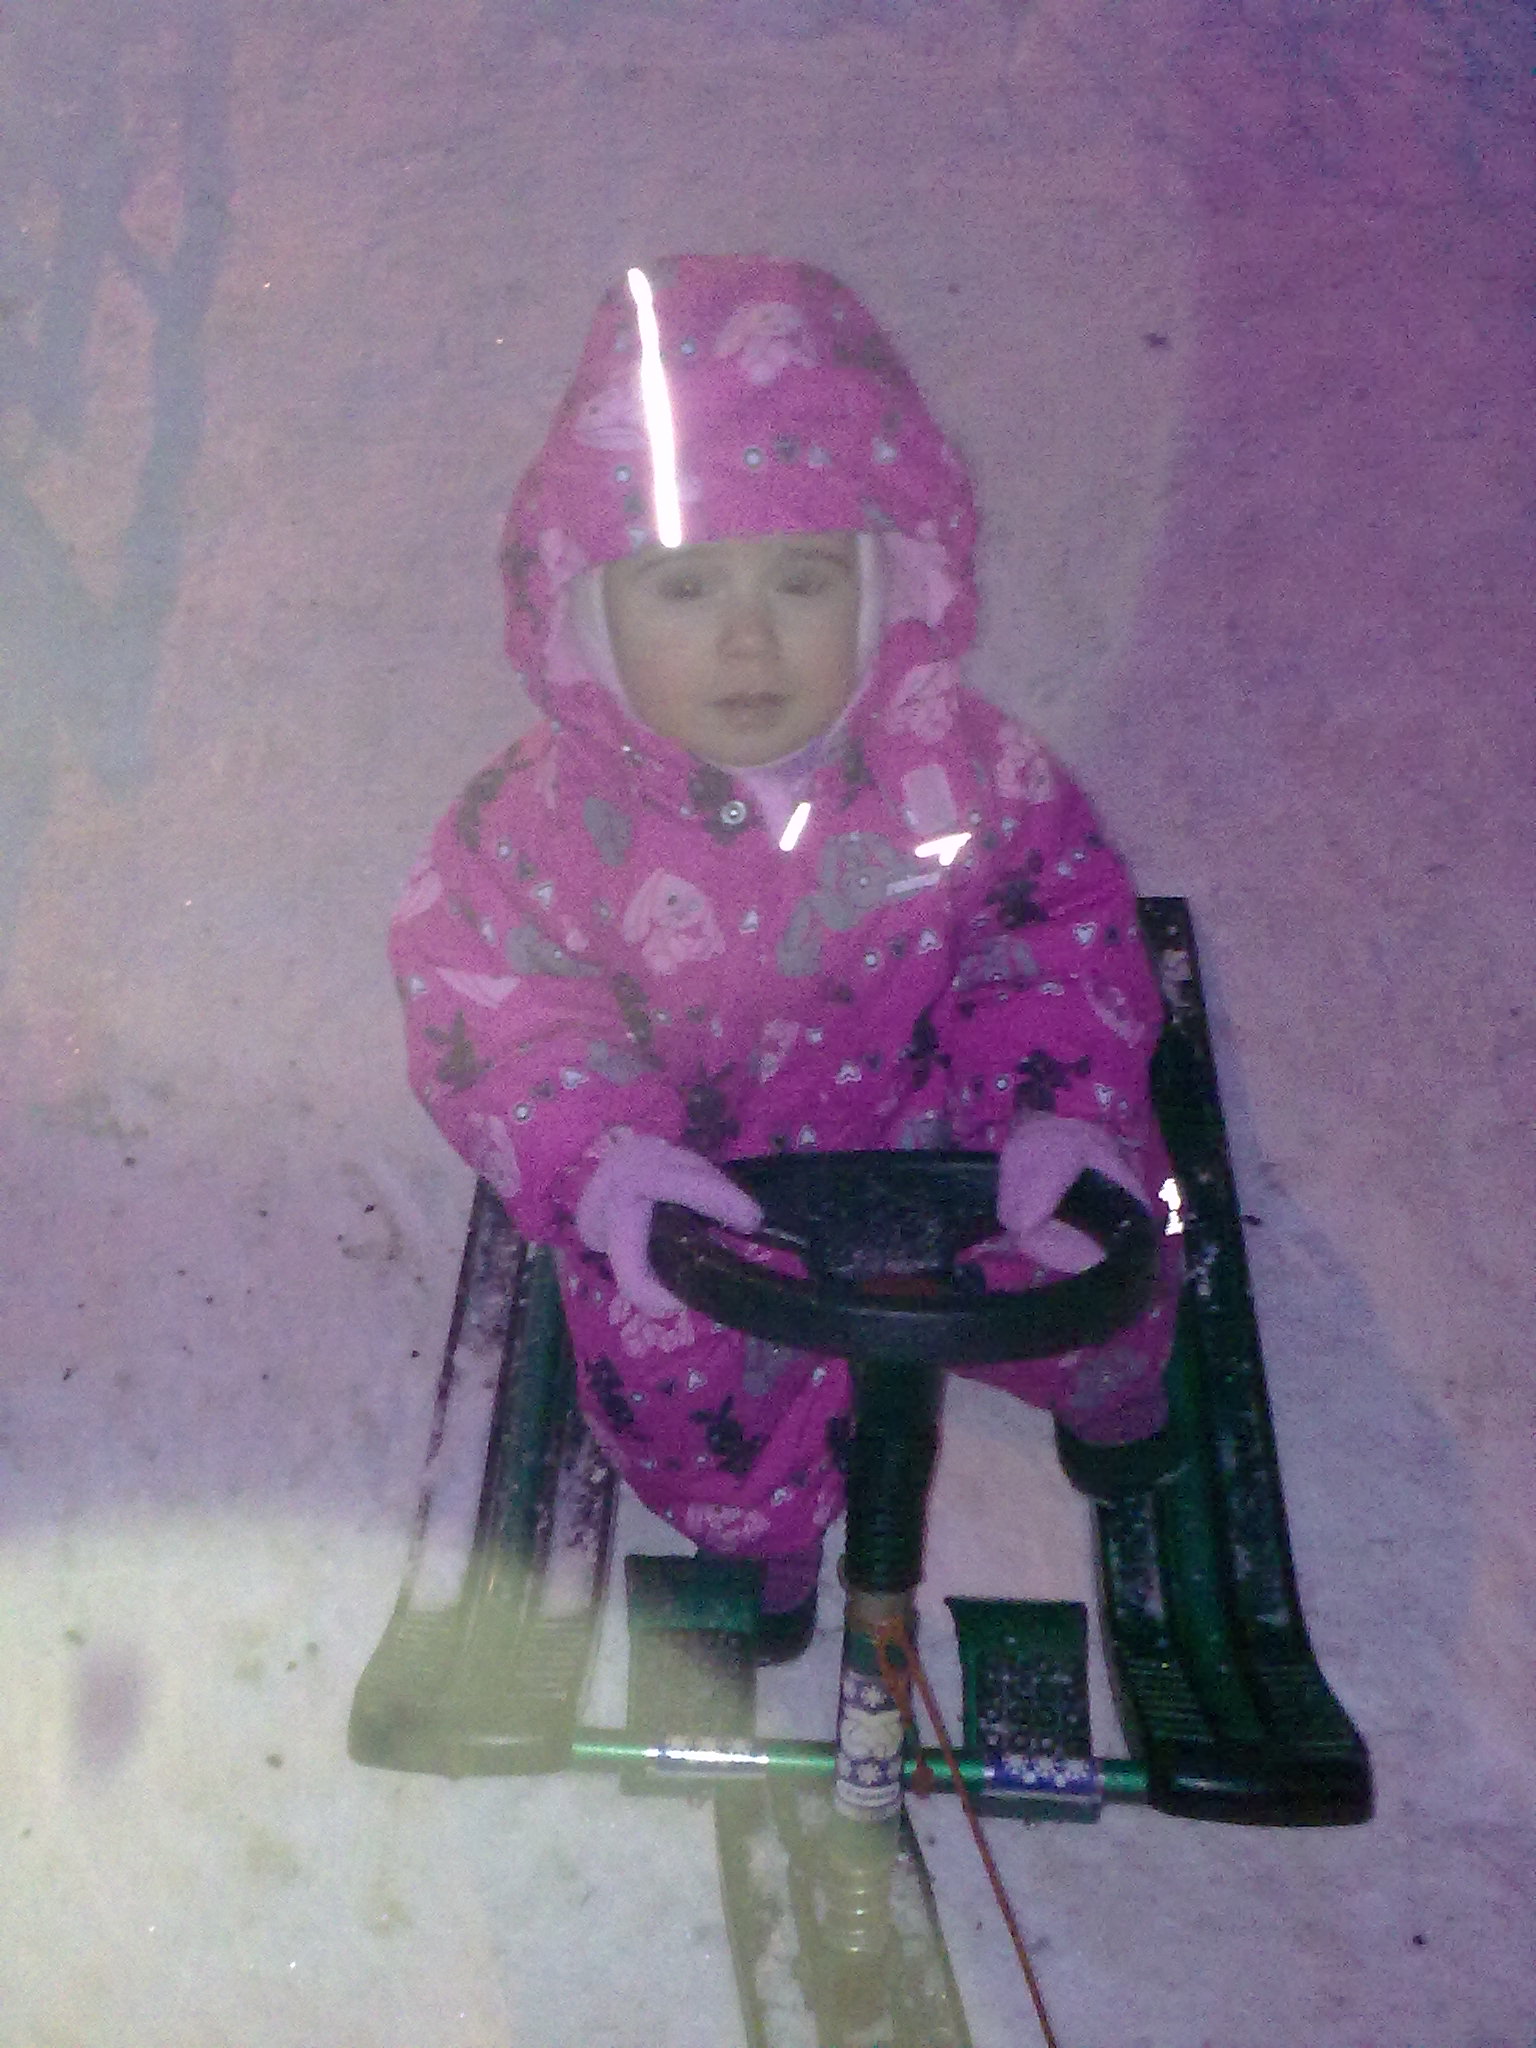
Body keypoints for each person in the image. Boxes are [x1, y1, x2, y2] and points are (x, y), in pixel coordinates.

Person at [389, 255, 1181, 1657]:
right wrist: (607, 1162)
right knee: (670, 1363)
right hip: (699, 1183)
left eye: (804, 581)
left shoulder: (966, 775)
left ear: (885, 588)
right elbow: (496, 1015)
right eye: (686, 587)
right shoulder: (532, 829)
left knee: (1104, 1235)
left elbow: (1053, 930)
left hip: (940, 1128)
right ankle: (757, 1532)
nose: (749, 638)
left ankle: (1117, 1399)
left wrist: (1053, 1108)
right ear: (588, 607)